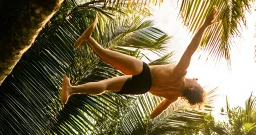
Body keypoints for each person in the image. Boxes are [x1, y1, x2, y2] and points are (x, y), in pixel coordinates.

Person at [61, 7, 219, 119]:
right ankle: (72, 89)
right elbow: (157, 111)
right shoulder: (173, 97)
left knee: (107, 55)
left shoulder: (180, 74)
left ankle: (88, 39)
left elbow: (191, 49)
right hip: (142, 88)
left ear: (191, 88)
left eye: (197, 83)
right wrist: (152, 116)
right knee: (106, 85)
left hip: (145, 73)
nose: (196, 79)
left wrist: (205, 25)